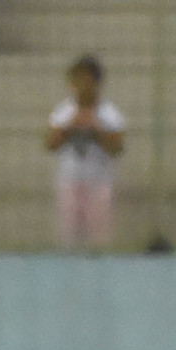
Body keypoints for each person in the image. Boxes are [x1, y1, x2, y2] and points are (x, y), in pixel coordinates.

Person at [43, 53, 123, 248]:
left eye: (87, 80)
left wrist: (97, 129)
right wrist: (69, 127)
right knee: (69, 237)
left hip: (99, 181)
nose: (82, 86)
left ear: (97, 83)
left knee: (99, 238)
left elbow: (117, 148)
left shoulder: (110, 113)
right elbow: (50, 144)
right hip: (70, 180)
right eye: (77, 81)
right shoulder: (63, 112)